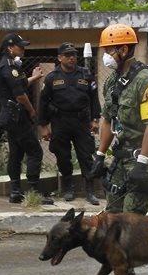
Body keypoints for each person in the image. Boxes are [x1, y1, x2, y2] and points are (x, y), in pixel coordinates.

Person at [88, 22, 148, 275]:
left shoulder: (147, 81)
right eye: (104, 51)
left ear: (123, 49)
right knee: (112, 219)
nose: (106, 56)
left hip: (144, 157)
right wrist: (100, 156)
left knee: (133, 221)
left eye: (109, 50)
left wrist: (142, 165)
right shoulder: (112, 82)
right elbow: (107, 120)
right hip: (121, 158)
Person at [38, 42, 101, 204]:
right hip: (60, 122)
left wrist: (95, 119)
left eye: (73, 54)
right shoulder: (52, 77)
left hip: (81, 122)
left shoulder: (85, 74)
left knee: (86, 156)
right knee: (63, 156)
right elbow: (43, 102)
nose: (72, 58)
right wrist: (43, 126)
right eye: (67, 55)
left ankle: (90, 191)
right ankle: (68, 188)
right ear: (60, 57)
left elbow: (94, 98)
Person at [0, 32, 52, 204]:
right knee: (35, 151)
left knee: (16, 153)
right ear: (10, 48)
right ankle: (34, 191)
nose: (23, 49)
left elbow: (20, 84)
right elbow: (20, 95)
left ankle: (15, 192)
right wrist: (32, 111)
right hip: (17, 116)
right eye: (20, 46)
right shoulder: (9, 67)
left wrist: (34, 77)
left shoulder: (10, 65)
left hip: (11, 116)